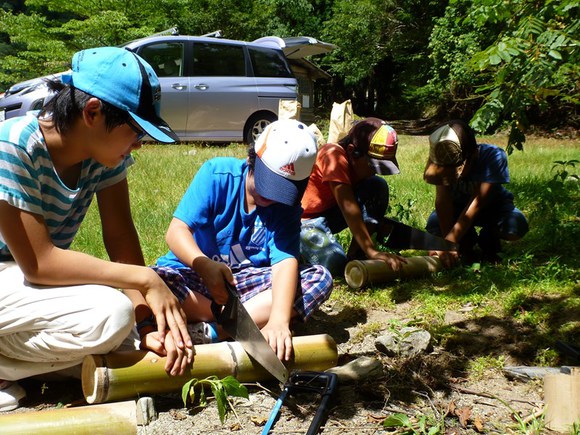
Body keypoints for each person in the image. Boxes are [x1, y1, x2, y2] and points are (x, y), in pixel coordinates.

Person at [0, 47, 193, 412]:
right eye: (135, 131)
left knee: (123, 333)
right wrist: (146, 281)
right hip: (19, 273)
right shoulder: (13, 144)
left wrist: (147, 321)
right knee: (111, 314)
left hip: (18, 288)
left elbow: (120, 236)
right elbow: (39, 264)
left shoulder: (101, 157)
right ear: (92, 113)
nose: (139, 143)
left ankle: (18, 369)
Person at [152, 119, 333, 362]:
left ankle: (217, 330)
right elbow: (176, 231)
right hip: (193, 275)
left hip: (244, 286)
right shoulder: (217, 175)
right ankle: (238, 324)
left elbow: (284, 263)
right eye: (268, 185)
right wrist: (203, 264)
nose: (271, 197)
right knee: (156, 280)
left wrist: (279, 320)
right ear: (252, 160)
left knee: (319, 278)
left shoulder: (287, 209)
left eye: (282, 191)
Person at [300, 117, 406, 276]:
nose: (375, 171)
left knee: (377, 185)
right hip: (306, 221)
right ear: (352, 151)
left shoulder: (358, 165)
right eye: (372, 165)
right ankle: (297, 251)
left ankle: (356, 254)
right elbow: (348, 208)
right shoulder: (333, 156)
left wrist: (375, 224)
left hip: (330, 213)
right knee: (335, 264)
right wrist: (372, 251)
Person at [423, 119, 529, 267]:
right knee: (434, 224)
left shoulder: (494, 156)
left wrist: (451, 240)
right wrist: (446, 244)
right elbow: (443, 201)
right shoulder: (442, 154)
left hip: (493, 210)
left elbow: (477, 203)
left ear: (472, 155)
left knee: (515, 226)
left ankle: (489, 237)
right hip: (458, 209)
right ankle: (467, 240)